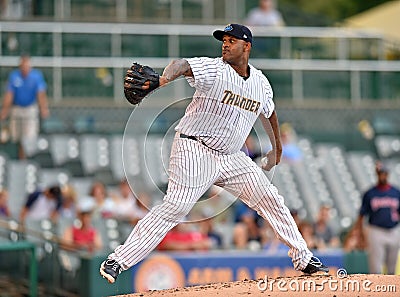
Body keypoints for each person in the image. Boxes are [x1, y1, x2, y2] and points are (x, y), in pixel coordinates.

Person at [100, 23, 328, 284]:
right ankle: (119, 259)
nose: (226, 44)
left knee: (270, 198)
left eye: (232, 40)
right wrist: (163, 79)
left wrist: (277, 148)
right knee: (177, 206)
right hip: (194, 148)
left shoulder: (261, 83)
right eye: (224, 40)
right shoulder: (215, 69)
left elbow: (270, 113)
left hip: (231, 157)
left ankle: (304, 257)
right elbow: (182, 64)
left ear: (247, 46)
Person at [354, 162, 400, 274]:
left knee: (392, 266)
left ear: (388, 174)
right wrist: (360, 234)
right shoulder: (370, 193)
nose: (382, 176)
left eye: (384, 173)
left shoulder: (396, 192)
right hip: (376, 230)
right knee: (376, 267)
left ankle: (391, 291)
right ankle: (376, 291)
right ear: (377, 174)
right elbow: (361, 215)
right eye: (380, 173)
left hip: (393, 230)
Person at [1, 55, 49, 159]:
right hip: (17, 109)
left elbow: (41, 94)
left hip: (30, 109)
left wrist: (43, 109)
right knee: (16, 137)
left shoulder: (36, 77)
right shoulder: (14, 77)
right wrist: (4, 111)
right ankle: (17, 158)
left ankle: (27, 160)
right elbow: (9, 94)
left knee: (29, 137)